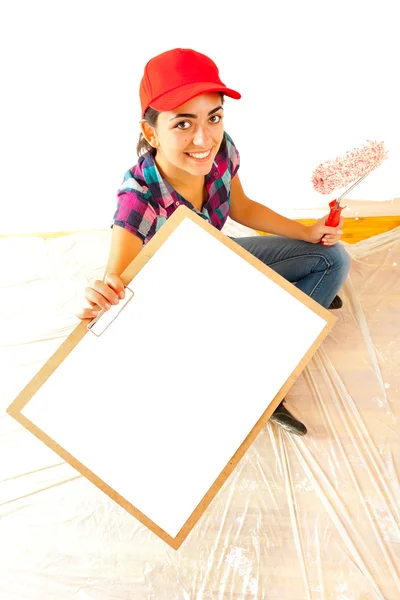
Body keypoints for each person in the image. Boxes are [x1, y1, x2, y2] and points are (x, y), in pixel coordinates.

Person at [76, 48, 350, 437]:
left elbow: (241, 206)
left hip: (218, 264)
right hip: (183, 305)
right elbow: (116, 283)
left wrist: (307, 232)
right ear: (151, 131)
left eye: (214, 117)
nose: (203, 138)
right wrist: (103, 294)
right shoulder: (138, 197)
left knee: (332, 259)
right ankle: (262, 382)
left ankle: (281, 339)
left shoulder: (219, 150)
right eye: (183, 124)